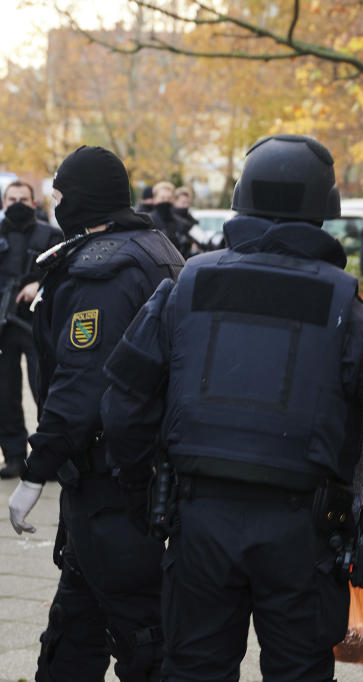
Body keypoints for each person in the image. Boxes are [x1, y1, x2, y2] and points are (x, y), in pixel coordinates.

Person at [99, 134, 363, 682]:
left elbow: (124, 403)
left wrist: (145, 495)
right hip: (303, 532)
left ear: (242, 199)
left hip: (199, 521)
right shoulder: (347, 303)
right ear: (322, 209)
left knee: (195, 670)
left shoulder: (187, 283)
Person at [7, 146, 185, 681]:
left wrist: (35, 469)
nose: (54, 205)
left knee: (139, 636)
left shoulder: (103, 269)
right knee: (74, 631)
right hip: (129, 477)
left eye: (60, 195)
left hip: (114, 480)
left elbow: (84, 384)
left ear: (81, 199)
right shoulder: (155, 248)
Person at [0, 181, 61, 479]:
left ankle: (49, 457)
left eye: (23, 199)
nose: (18, 204)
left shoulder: (49, 234)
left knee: (45, 391)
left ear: (34, 202)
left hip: (37, 322)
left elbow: (65, 271)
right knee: (5, 392)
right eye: (12, 199)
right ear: (3, 203)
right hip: (4, 326)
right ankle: (13, 456)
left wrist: (40, 284)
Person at [149, 181, 193, 258]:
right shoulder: (147, 222)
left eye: (169, 198)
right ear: (155, 199)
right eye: (162, 198)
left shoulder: (180, 223)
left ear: (172, 200)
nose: (166, 201)